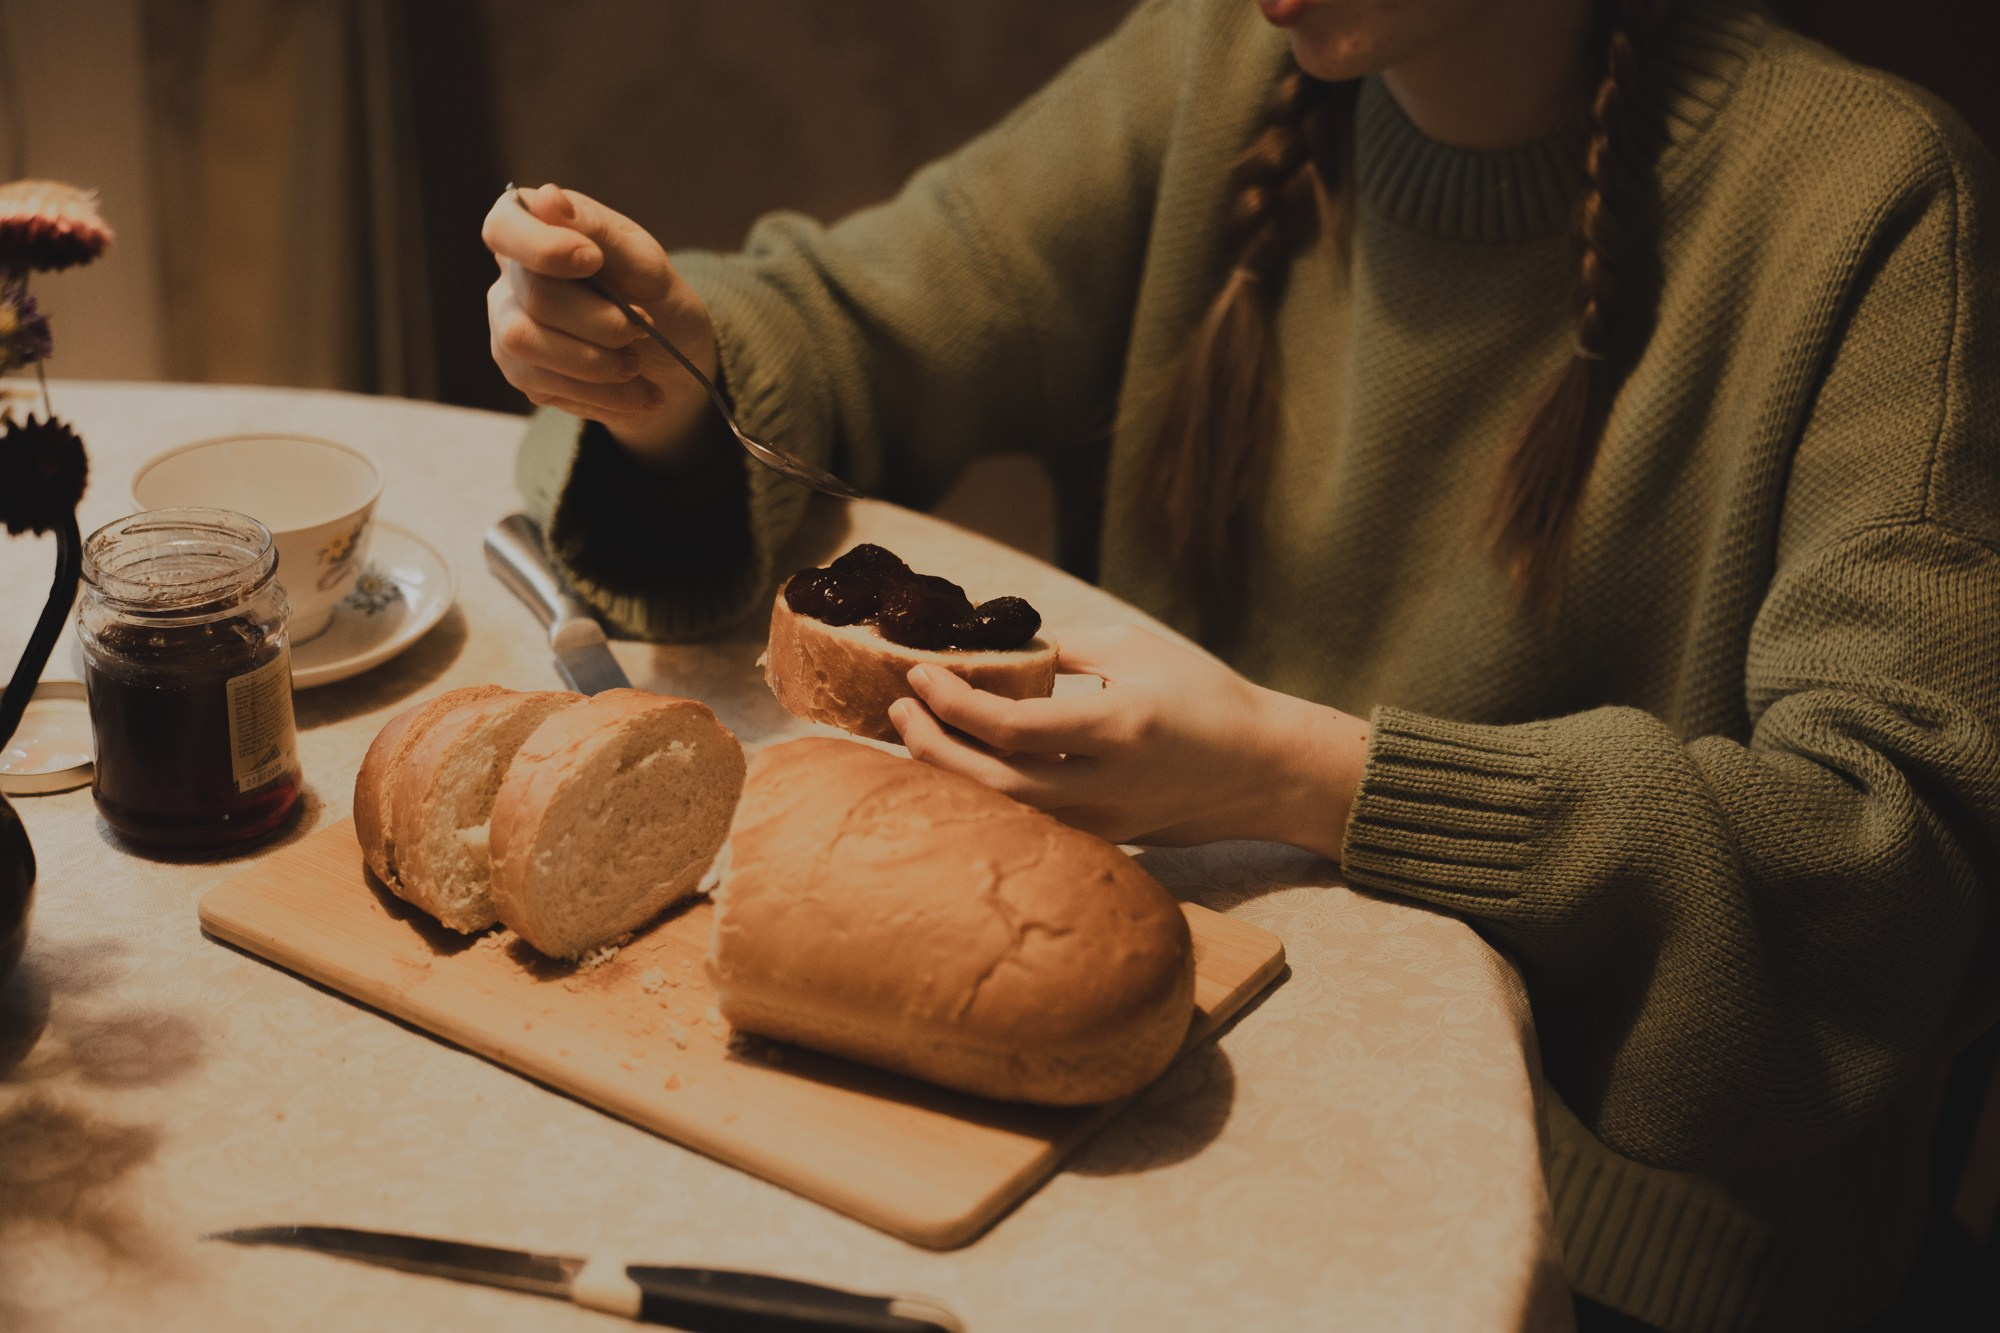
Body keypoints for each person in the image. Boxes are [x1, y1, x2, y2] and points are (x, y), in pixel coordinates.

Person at [482, 0, 2000, 1326]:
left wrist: (1298, 771)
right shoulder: (1220, 60)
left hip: (1611, 1215)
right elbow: (847, 319)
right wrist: (667, 381)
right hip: (1175, 1057)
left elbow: (1901, 857)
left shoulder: (1873, 202)